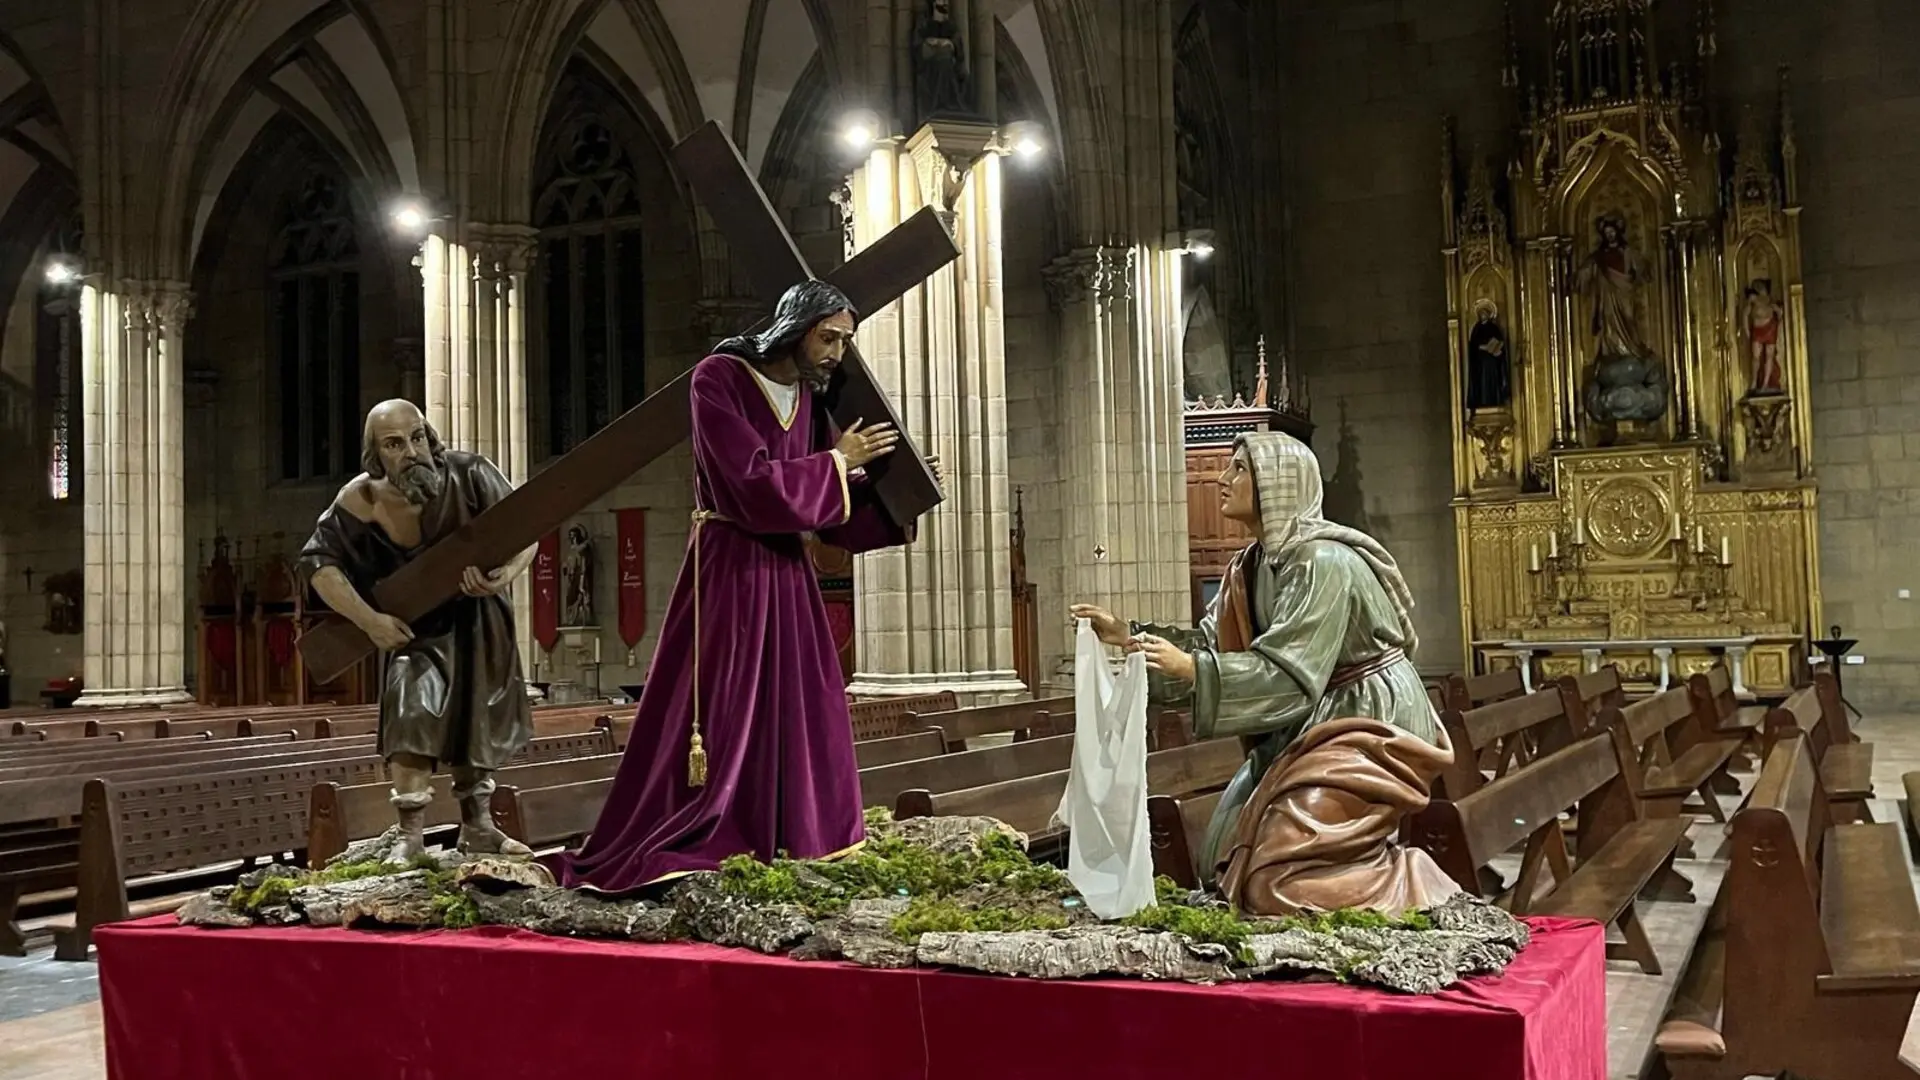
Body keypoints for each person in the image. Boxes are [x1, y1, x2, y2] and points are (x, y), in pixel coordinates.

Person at [564, 281, 941, 893]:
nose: (836, 353)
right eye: (829, 338)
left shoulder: (811, 397)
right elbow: (750, 484)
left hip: (786, 572)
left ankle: (798, 831)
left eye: (845, 341)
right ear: (795, 326)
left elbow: (821, 510)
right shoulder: (719, 378)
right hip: (732, 564)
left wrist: (894, 491)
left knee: (801, 696)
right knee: (728, 700)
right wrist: (838, 464)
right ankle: (722, 825)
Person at [1071, 431, 1458, 917]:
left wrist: (1193, 670)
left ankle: (1416, 885)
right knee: (1224, 855)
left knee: (1275, 880)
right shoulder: (1249, 566)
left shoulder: (1322, 559)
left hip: (1368, 720)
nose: (1221, 478)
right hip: (1316, 717)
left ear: (1277, 484)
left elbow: (1290, 675)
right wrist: (1129, 635)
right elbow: (1213, 645)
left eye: (1238, 469)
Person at [298, 399, 537, 863]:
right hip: (414, 630)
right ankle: (410, 837)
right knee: (410, 710)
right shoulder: (359, 499)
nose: (411, 451)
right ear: (375, 454)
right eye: (394, 444)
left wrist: (500, 577)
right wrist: (369, 622)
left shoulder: (471, 474)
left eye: (417, 437)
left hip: (478, 621)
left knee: (477, 719)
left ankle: (480, 826)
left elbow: (526, 528)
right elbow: (317, 563)